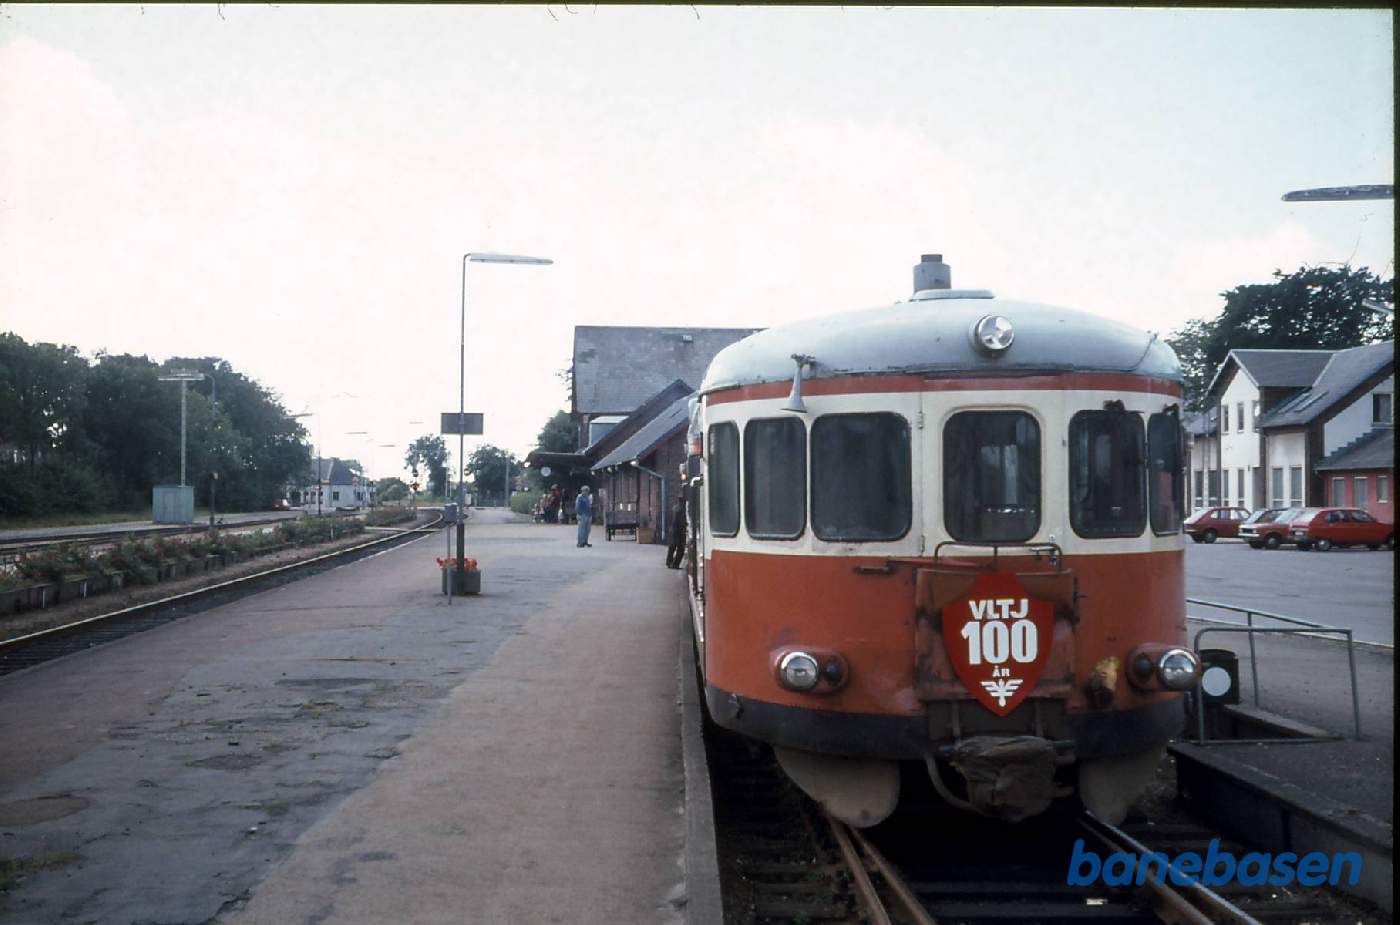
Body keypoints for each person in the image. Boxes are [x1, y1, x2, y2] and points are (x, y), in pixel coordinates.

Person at [665, 469, 688, 569]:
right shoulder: (682, 510)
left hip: (672, 531)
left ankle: (669, 562)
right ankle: (675, 564)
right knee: (680, 549)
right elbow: (681, 523)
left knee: (671, 548)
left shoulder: (674, 508)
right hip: (678, 532)